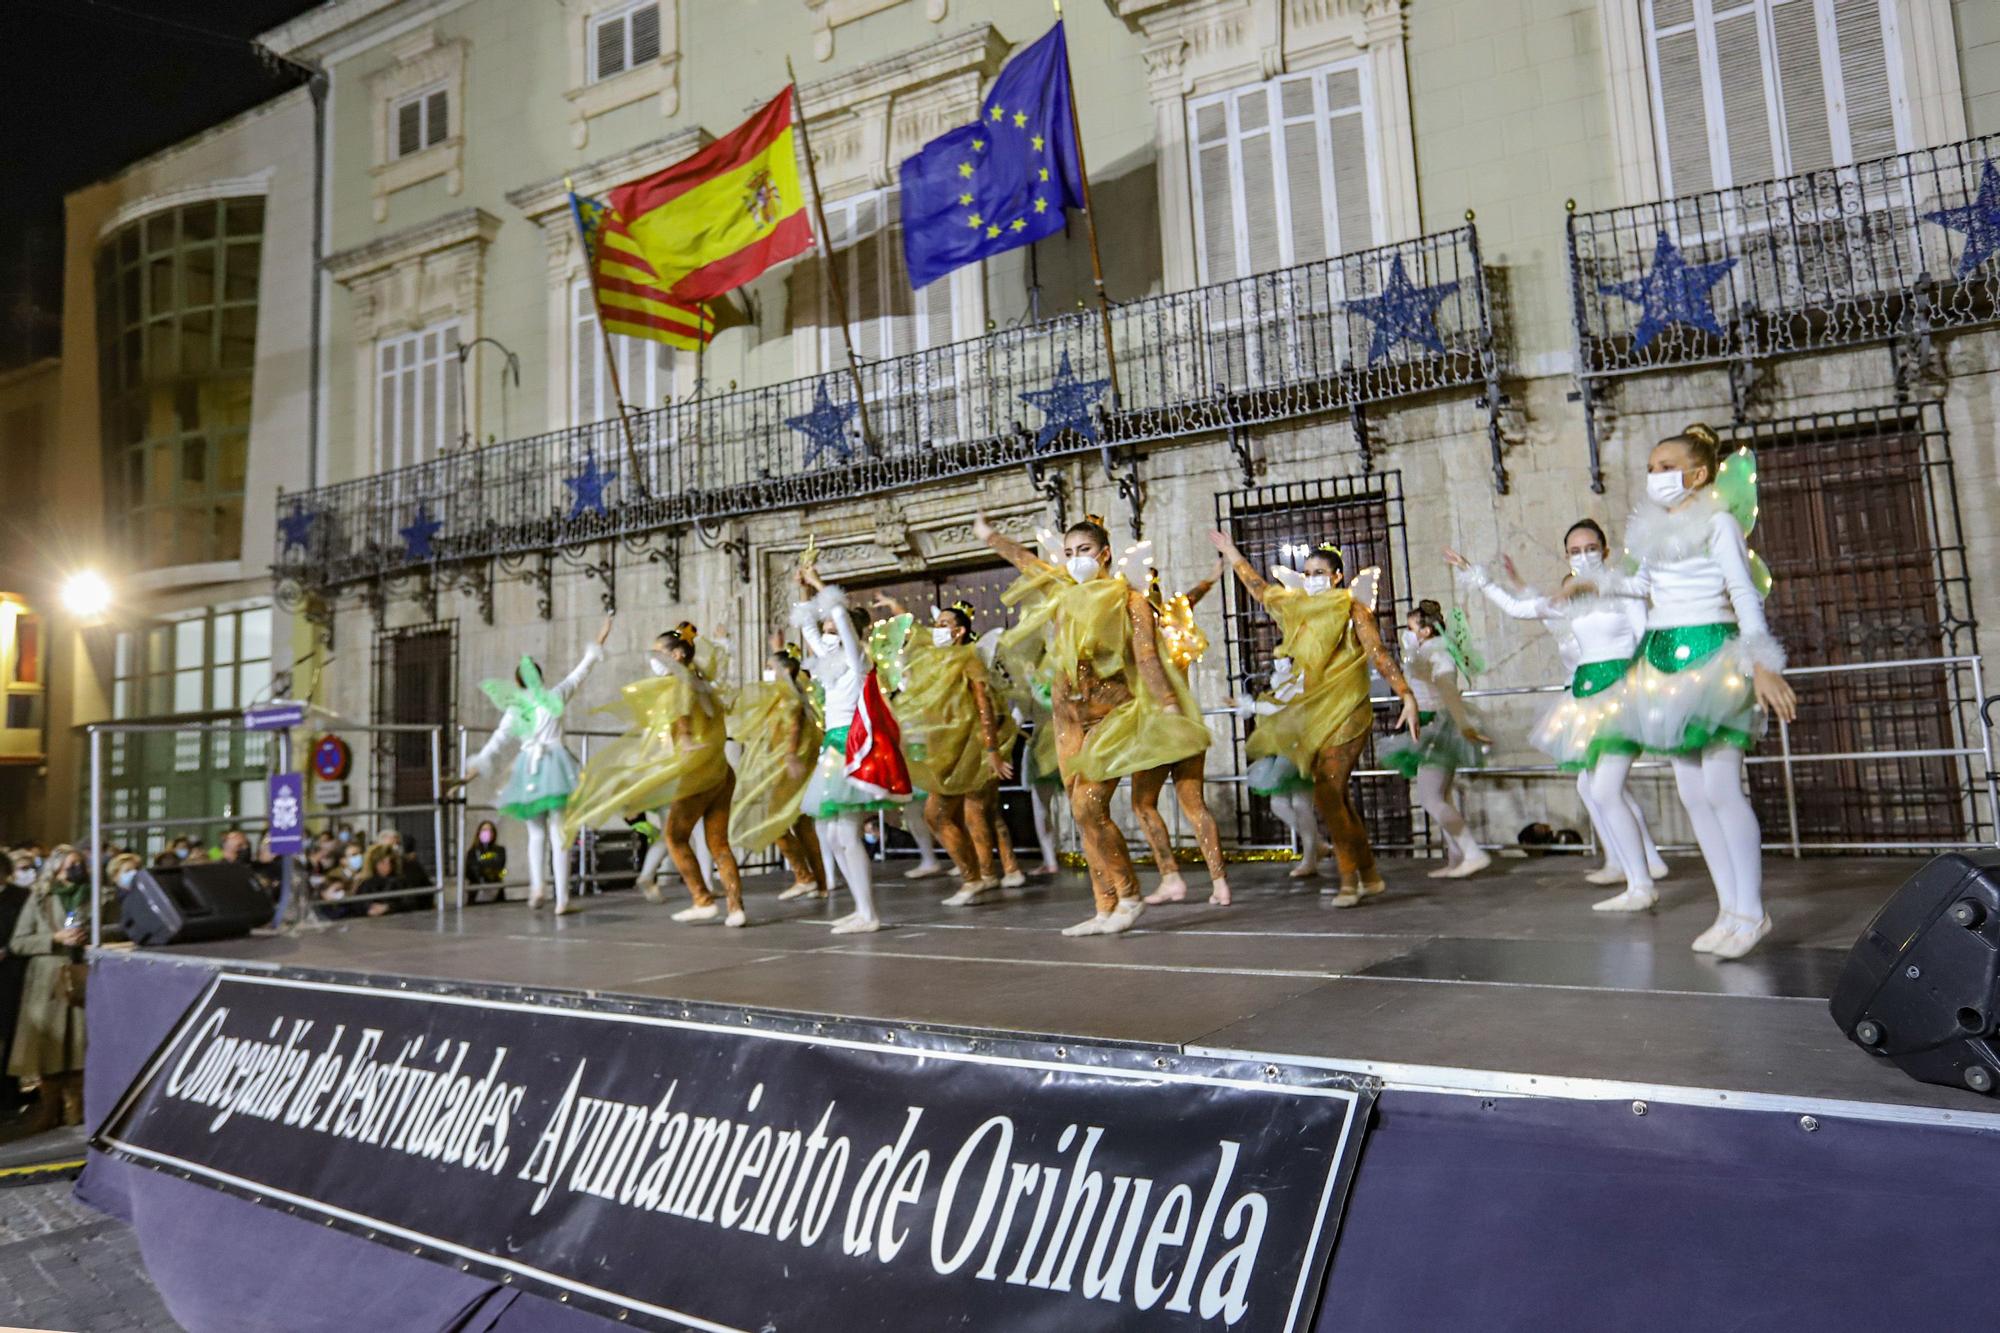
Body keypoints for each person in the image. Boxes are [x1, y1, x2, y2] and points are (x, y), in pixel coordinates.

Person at [1573, 422, 1796, 958]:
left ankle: (1752, 911)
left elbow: (1743, 594)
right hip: (1663, 661)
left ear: (1697, 474)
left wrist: (1762, 663)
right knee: (1694, 794)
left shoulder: (1718, 523)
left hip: (1714, 655)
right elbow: (1643, 586)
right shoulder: (1649, 533)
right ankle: (1728, 911)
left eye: (1667, 467)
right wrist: (1597, 581)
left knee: (1721, 789)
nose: (1657, 477)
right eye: (1651, 468)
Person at [982, 513, 1212, 936]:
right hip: (1068, 718)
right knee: (1081, 813)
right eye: (1068, 553)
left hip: (1112, 714)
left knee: (1090, 804)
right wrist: (989, 535)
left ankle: (1129, 897)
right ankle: (1104, 905)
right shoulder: (1063, 594)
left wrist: (1165, 701)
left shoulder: (1130, 601)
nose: (1075, 560)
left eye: (1083, 551)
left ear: (1104, 554)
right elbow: (1025, 563)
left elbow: (1146, 655)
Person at [1448, 521, 1671, 911]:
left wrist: (1646, 694)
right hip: (1584, 697)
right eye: (1574, 550)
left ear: (1604, 550)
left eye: (1590, 547)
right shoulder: (1568, 599)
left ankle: (1642, 879)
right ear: (1566, 556)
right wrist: (1477, 577)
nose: (1582, 555)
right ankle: (1637, 876)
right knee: (1598, 789)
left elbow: (1643, 640)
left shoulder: (1623, 588)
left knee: (1603, 790)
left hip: (1620, 694)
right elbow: (1519, 608)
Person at [1210, 533, 1420, 906]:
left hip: (1349, 710)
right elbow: (1260, 590)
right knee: (1335, 796)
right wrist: (1232, 554)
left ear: (1337, 576)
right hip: (1314, 713)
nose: (1312, 578)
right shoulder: (1298, 608)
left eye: (1319, 572)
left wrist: (1406, 693)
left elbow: (1379, 653)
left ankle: (1347, 880)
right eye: (1307, 573)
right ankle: (1369, 874)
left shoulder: (1353, 610)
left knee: (1325, 791)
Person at [565, 625, 748, 927]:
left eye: (658, 653)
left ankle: (702, 899)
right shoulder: (702, 682)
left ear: (676, 655)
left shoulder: (679, 683)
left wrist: (686, 740)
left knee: (674, 837)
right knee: (719, 843)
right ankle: (735, 907)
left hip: (697, 772)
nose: (654, 660)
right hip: (721, 771)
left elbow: (681, 715)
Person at [454, 617, 613, 915]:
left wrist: (474, 769)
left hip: (529, 768)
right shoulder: (555, 695)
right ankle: (562, 900)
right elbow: (582, 671)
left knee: (535, 833)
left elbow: (498, 740)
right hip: (555, 765)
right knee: (559, 834)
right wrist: (599, 639)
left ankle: (537, 888)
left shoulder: (516, 708)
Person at [876, 596, 1020, 907]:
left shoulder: (969, 659)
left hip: (972, 750)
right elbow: (915, 629)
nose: (937, 629)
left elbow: (984, 705)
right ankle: (980, 875)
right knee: (945, 815)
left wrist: (992, 751)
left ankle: (979, 877)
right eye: (937, 623)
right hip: (948, 752)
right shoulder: (933, 659)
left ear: (959, 632)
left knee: (957, 813)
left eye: (945, 624)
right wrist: (894, 606)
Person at [794, 563, 912, 934]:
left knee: (846, 832)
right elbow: (807, 627)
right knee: (829, 833)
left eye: (830, 621)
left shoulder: (856, 657)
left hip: (852, 742)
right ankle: (860, 908)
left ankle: (869, 913)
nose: (826, 625)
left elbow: (841, 619)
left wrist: (818, 584)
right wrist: (803, 593)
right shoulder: (829, 659)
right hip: (832, 744)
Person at [1131, 560, 1232, 907]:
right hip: (1187, 727)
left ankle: (1170, 876)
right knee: (1196, 806)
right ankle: (1220, 884)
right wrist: (1209, 578)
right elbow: (1188, 600)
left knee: (1142, 803)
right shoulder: (1174, 627)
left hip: (1158, 730)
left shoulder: (1137, 637)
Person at [1379, 598, 1493, 879]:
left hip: (1438, 725)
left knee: (1430, 797)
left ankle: (1473, 853)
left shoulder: (1437, 655)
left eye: (1410, 627)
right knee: (1441, 794)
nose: (1406, 632)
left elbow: (1446, 690)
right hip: (1432, 722)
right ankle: (1457, 857)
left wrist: (1464, 725)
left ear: (1425, 631)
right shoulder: (1425, 653)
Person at [8, 845, 102, 1130]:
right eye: (71, 864)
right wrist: (55, 937)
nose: (77, 870)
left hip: (83, 978)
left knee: (79, 1046)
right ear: (57, 868)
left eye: (80, 864)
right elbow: (18, 942)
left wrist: (90, 938)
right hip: (48, 982)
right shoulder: (40, 898)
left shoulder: (98, 896)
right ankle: (49, 1109)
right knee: (49, 1049)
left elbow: (116, 930)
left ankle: (77, 1109)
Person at [728, 639, 828, 902]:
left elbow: (793, 728)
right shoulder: (791, 694)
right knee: (804, 825)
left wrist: (791, 754)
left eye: (770, 666)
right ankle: (820, 882)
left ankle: (804, 876)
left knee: (773, 822)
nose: (767, 671)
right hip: (791, 764)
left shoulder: (790, 698)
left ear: (783, 671)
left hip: (787, 766)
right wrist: (776, 645)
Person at [463, 820, 508, 904]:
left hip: (496, 892)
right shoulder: (472, 852)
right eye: (484, 830)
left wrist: (482, 863)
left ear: (494, 833)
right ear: (479, 833)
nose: (487, 833)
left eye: (490, 830)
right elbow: (470, 872)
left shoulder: (500, 850)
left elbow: (499, 867)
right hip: (477, 893)